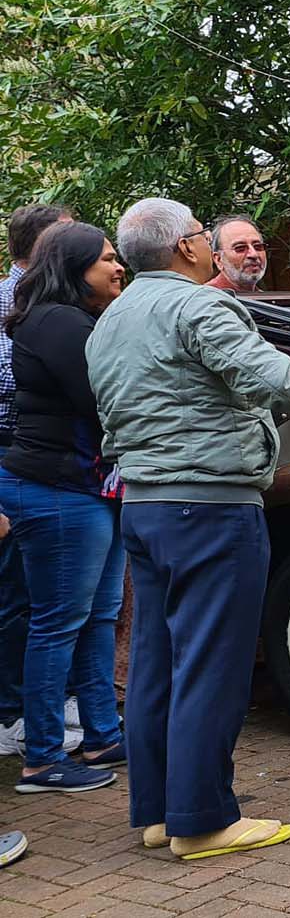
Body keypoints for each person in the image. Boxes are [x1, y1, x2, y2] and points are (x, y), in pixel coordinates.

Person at [86, 198, 290, 859]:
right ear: (187, 248)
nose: (209, 245)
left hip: (144, 506)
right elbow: (268, 372)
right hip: (211, 505)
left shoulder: (110, 320)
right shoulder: (199, 306)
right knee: (213, 664)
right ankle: (204, 820)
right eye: (201, 234)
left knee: (158, 662)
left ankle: (160, 813)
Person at [1, 222, 127, 793]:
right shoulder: (58, 322)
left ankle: (101, 734)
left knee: (99, 617)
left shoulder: (76, 319)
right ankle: (44, 759)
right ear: (76, 269)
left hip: (86, 489)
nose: (117, 266)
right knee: (57, 624)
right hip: (56, 490)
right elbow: (104, 400)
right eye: (106, 259)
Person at [0, 204, 79, 759]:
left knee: (46, 594)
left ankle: (44, 706)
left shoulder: (50, 303)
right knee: (18, 595)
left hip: (38, 458)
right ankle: (12, 715)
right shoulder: (14, 304)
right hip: (12, 459)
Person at [204, 215, 267, 293]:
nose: (254, 254)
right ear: (218, 259)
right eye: (240, 248)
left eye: (258, 246)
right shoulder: (208, 299)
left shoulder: (264, 298)